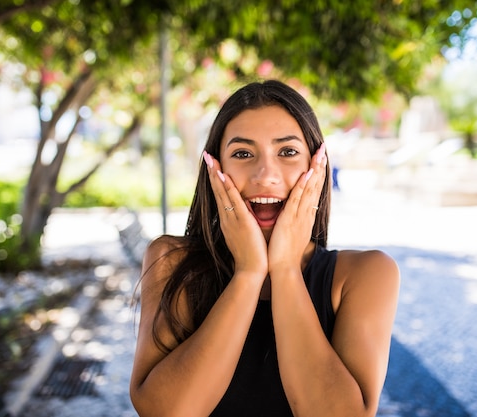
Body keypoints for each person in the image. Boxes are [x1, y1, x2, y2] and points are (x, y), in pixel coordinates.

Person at [129, 80, 400, 417]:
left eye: (287, 152)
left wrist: (285, 269)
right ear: (216, 169)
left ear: (316, 166)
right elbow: (166, 412)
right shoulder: (172, 260)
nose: (265, 174)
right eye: (243, 153)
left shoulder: (365, 274)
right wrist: (249, 273)